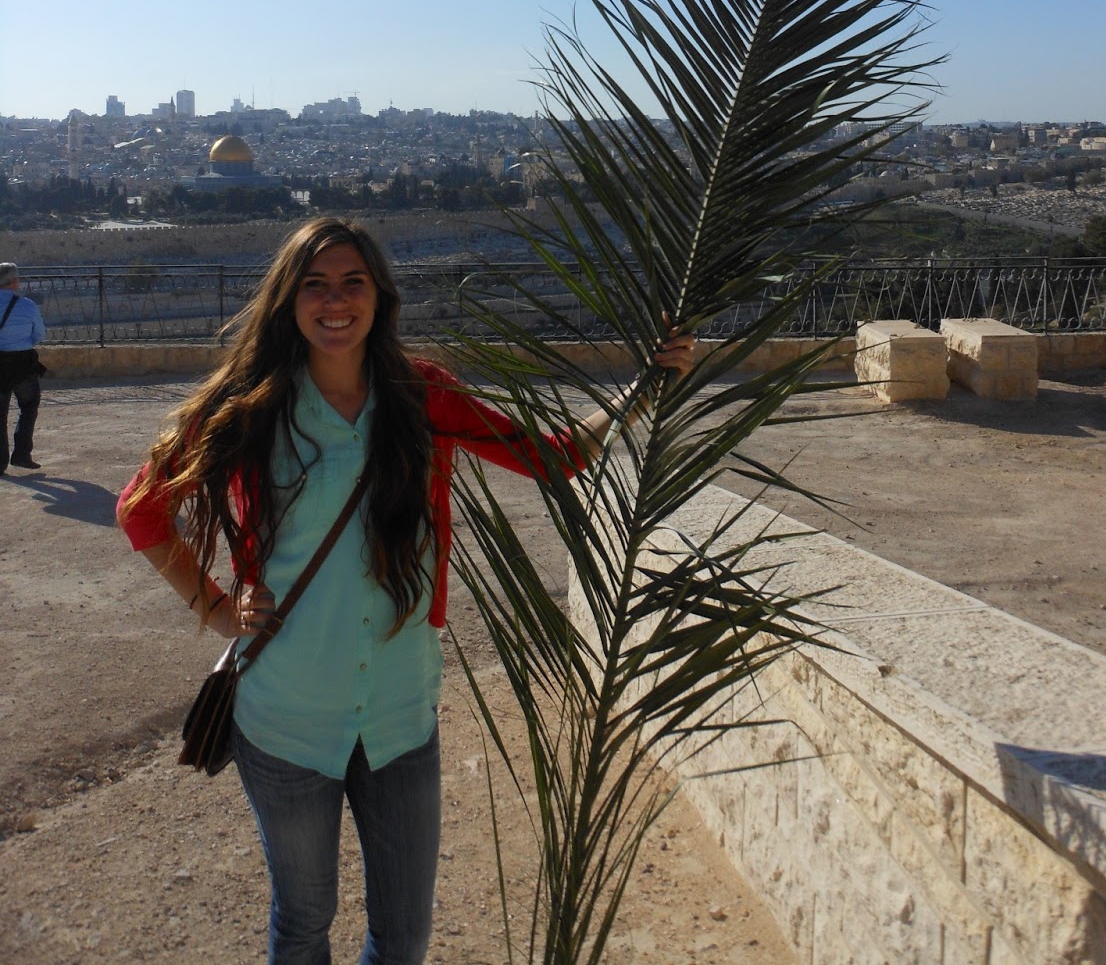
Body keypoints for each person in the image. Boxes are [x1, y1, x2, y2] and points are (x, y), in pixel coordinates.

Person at [117, 217, 693, 965]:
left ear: (380, 297)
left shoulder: (423, 395)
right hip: (287, 716)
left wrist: (647, 386)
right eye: (315, 285)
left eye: (351, 282)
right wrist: (220, 611)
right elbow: (142, 508)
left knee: (405, 936)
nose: (335, 301)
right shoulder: (251, 404)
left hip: (398, 715)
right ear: (289, 299)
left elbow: (552, 458)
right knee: (304, 921)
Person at [0, 261, 47, 474]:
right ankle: (21, 454)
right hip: (22, 364)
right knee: (28, 407)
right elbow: (39, 335)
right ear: (14, 281)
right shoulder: (27, 306)